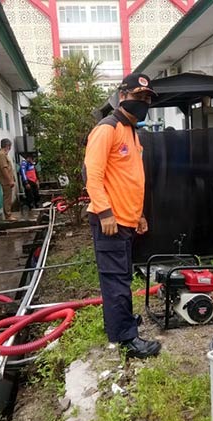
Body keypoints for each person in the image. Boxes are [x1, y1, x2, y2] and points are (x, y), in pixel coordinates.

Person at [84, 73, 161, 358]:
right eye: (138, 96)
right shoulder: (108, 128)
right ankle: (127, 339)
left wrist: (138, 215)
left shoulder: (131, 129)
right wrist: (105, 213)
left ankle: (120, 323)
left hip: (126, 220)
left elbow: (131, 178)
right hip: (110, 221)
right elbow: (92, 176)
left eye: (146, 98)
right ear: (122, 95)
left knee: (121, 277)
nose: (143, 102)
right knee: (116, 280)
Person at [0, 138, 17, 221]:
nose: (10, 148)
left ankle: (8, 214)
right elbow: (4, 169)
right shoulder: (1, 154)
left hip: (7, 180)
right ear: (7, 146)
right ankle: (8, 216)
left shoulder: (3, 154)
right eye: (9, 146)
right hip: (6, 181)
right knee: (7, 198)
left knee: (8, 197)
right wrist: (10, 180)